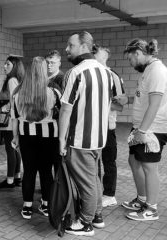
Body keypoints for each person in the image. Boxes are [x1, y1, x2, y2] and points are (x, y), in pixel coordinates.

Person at [59, 31, 114, 236]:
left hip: (80, 139)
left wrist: (61, 139)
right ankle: (97, 215)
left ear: (83, 46)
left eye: (70, 45)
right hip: (98, 138)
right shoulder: (105, 71)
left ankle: (85, 223)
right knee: (93, 178)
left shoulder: (77, 72)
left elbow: (66, 109)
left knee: (87, 182)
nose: (67, 49)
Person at [122, 38, 167, 221]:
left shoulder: (157, 71)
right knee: (134, 161)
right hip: (141, 126)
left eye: (131, 59)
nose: (131, 63)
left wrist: (142, 131)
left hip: (152, 128)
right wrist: (128, 101)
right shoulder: (148, 70)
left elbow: (155, 104)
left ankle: (152, 208)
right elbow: (145, 99)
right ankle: (141, 199)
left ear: (138, 54)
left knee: (150, 167)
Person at [10, 57, 59, 219]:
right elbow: (62, 115)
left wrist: (15, 137)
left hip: (26, 136)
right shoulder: (53, 91)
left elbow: (15, 118)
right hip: (49, 136)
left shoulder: (18, 92)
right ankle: (45, 204)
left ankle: (27, 207)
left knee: (29, 171)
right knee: (46, 171)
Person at [92, 44, 128, 207]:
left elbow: (120, 103)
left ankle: (109, 194)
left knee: (108, 161)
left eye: (96, 53)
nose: (93, 55)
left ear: (105, 56)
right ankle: (93, 192)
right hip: (92, 126)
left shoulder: (112, 76)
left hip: (107, 126)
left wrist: (103, 110)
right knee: (92, 161)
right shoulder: (93, 74)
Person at [0, 56, 24, 189]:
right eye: (4, 64)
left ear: (14, 66)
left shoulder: (11, 80)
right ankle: (16, 177)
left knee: (10, 149)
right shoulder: (16, 79)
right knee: (14, 149)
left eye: (8, 64)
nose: (4, 66)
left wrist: (3, 108)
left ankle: (10, 180)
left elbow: (14, 102)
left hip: (9, 121)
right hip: (13, 120)